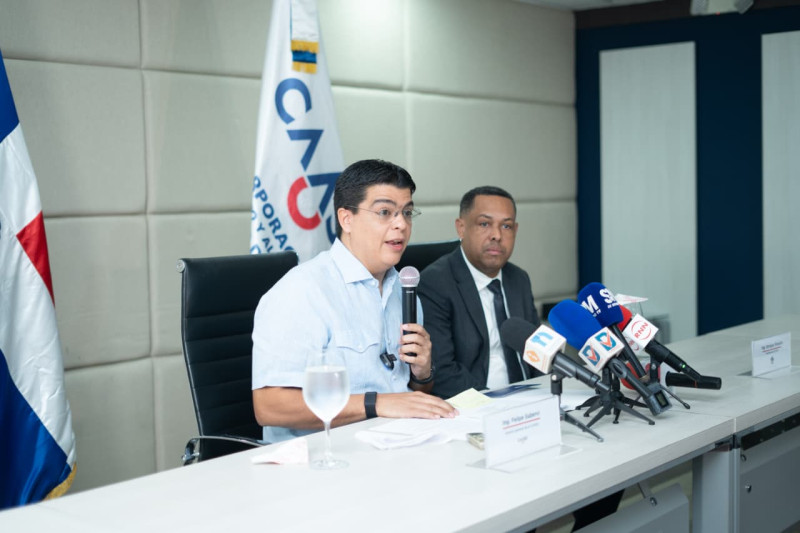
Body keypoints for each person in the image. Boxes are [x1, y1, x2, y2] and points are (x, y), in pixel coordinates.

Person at [252, 159, 456, 443]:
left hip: (395, 444)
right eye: (385, 212)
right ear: (346, 219)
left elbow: (411, 396)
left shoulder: (404, 289)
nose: (401, 224)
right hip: (321, 457)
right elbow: (269, 406)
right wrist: (376, 403)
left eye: (407, 213)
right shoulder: (301, 292)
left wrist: (423, 374)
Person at [418, 186, 543, 400]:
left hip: (528, 402)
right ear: (461, 228)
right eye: (484, 224)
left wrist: (546, 391)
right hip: (473, 407)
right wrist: (494, 403)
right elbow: (442, 372)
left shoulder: (518, 279)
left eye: (506, 226)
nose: (496, 235)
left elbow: (537, 352)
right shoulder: (435, 283)